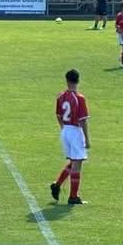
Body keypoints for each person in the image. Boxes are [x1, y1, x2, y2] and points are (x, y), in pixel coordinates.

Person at [49, 68, 90, 206]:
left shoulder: (60, 96)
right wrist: (87, 139)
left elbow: (58, 115)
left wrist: (63, 129)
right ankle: (73, 197)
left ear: (67, 80)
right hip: (75, 131)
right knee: (77, 164)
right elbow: (83, 120)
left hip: (65, 130)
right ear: (78, 80)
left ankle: (57, 184)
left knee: (73, 162)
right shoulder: (79, 98)